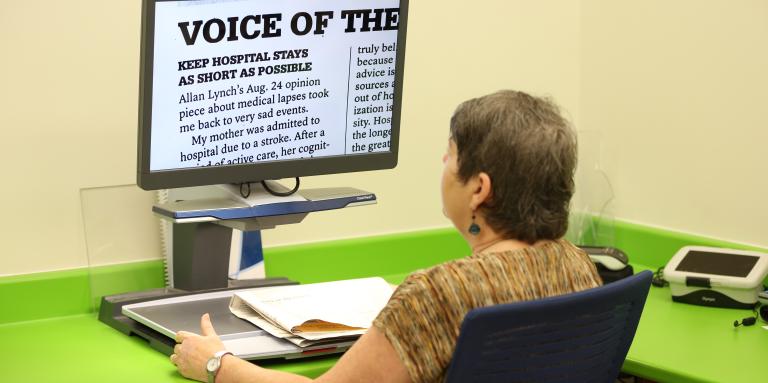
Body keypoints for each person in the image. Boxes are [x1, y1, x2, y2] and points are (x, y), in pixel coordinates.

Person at [171, 90, 603, 383]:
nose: (443, 162)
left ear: (479, 189)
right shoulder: (577, 265)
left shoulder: (437, 294)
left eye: (451, 156)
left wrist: (215, 363)